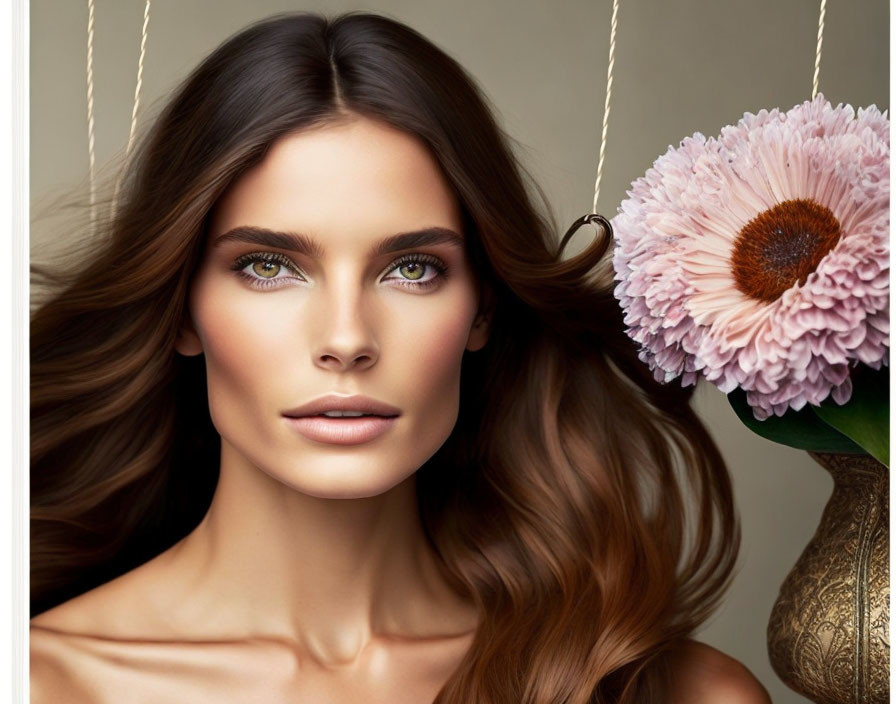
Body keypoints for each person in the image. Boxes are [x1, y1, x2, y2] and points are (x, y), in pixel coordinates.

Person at [29, 11, 771, 703]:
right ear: (182, 309)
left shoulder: (670, 692)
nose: (347, 339)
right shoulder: (42, 681)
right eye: (267, 266)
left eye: (412, 268)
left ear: (482, 306)